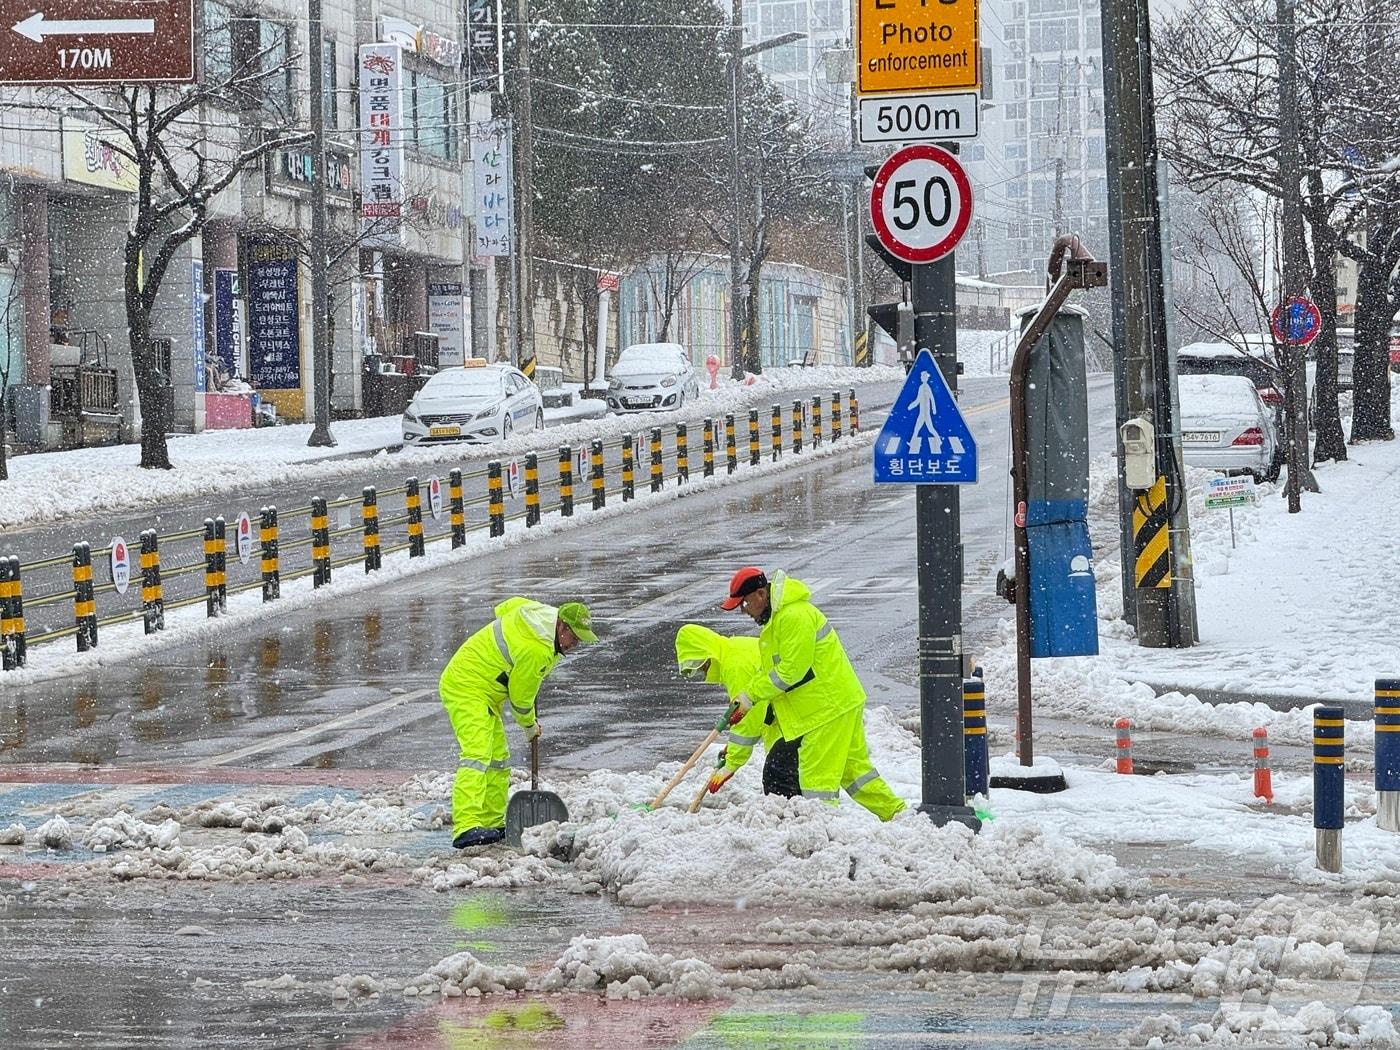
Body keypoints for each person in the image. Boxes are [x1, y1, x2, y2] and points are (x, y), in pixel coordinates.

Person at [721, 567, 905, 821]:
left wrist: (751, 695)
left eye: (744, 603)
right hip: (835, 703)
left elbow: (790, 672)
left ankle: (823, 838)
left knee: (815, 783)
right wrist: (748, 699)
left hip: (826, 709)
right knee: (856, 773)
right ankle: (899, 815)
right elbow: (771, 671)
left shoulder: (793, 616)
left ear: (761, 594)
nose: (744, 611)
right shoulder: (779, 620)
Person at [439, 597, 598, 847]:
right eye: (575, 638)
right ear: (561, 626)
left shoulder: (539, 614)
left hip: (483, 687)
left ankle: (492, 821)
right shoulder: (537, 649)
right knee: (477, 754)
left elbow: (507, 606)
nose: (576, 644)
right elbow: (521, 699)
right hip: (466, 686)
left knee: (499, 758)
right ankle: (466, 825)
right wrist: (530, 727)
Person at [674, 624, 801, 798]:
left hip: (801, 712)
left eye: (701, 664)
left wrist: (731, 763)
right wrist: (733, 747)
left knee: (778, 776)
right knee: (786, 769)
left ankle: (796, 816)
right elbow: (758, 713)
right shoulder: (732, 651)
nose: (703, 671)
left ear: (708, 652)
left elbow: (749, 719)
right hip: (788, 712)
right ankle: (799, 810)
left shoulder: (735, 666)